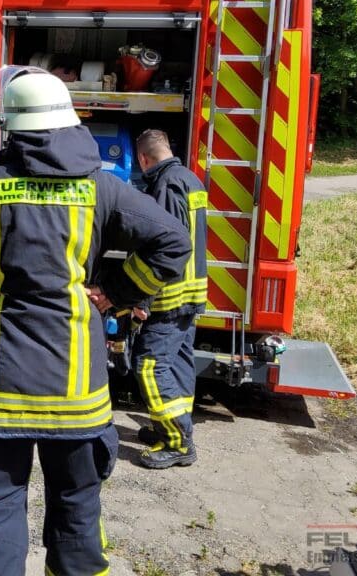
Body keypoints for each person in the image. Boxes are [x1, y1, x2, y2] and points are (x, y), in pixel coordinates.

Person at [0, 69, 191, 576]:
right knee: (77, 504)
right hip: (77, 393)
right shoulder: (102, 189)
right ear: (71, 124)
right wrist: (116, 293)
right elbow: (172, 241)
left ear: (10, 129)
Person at [131, 129, 208, 469]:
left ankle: (177, 443)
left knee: (149, 365)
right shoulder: (190, 178)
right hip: (191, 291)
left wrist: (143, 299)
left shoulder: (166, 186)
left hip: (171, 294)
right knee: (178, 364)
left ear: (143, 158)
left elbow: (165, 248)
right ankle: (175, 427)